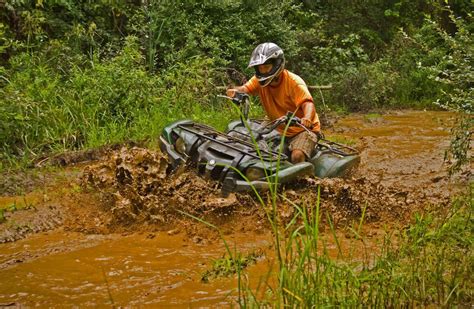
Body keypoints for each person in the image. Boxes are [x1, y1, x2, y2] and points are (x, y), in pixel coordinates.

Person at [226, 42, 321, 163]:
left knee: (297, 156)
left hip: (301, 129)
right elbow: (246, 89)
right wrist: (235, 91)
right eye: (260, 68)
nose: (263, 71)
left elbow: (308, 103)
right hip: (276, 122)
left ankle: (304, 180)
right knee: (252, 143)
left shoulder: (294, 82)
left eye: (266, 67)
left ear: (277, 64)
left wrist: (307, 118)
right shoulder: (258, 80)